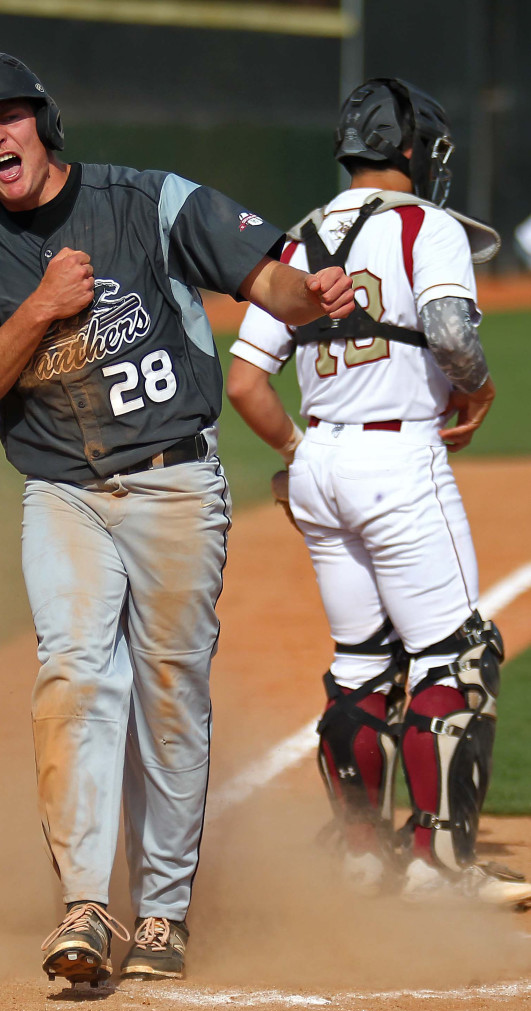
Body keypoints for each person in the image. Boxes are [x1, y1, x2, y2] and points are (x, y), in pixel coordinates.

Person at [0, 51, 355, 987]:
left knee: (169, 695)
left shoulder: (146, 201)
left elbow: (267, 273)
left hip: (173, 486)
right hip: (64, 492)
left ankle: (161, 912)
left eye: (6, 116)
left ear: (43, 122)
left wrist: (307, 294)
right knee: (75, 672)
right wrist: (40, 310)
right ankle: (86, 903)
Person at [226, 77, 531, 908]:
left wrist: (297, 454)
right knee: (455, 656)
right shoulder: (423, 225)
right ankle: (437, 868)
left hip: (320, 461)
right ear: (413, 151)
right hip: (397, 461)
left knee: (361, 663)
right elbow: (447, 333)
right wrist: (479, 386)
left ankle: (361, 856)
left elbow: (246, 382)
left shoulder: (295, 239)